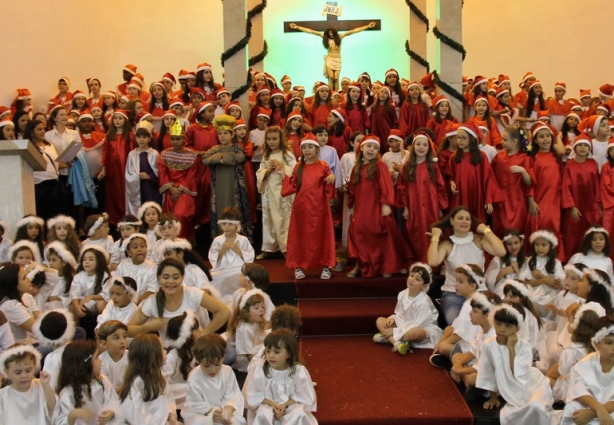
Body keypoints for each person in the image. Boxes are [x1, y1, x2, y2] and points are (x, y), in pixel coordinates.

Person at [476, 304, 555, 425]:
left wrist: (511, 348)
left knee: (536, 407)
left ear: (516, 328)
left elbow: (518, 373)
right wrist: (493, 397)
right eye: (498, 324)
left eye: (508, 326)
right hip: (508, 388)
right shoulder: (488, 345)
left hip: (531, 384)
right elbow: (487, 371)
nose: (502, 329)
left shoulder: (524, 346)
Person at [428, 207, 506, 324]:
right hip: (453, 294)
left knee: (486, 324)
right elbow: (433, 261)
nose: (464, 221)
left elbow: (501, 252)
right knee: (458, 325)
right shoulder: (447, 245)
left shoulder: (479, 240)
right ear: (451, 221)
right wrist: (435, 237)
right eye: (460, 218)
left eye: (467, 219)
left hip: (479, 292)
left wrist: (485, 230)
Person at [346, 135, 409, 278]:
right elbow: (353, 188)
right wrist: (350, 201)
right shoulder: (357, 167)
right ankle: (359, 265)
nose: (371, 150)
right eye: (369, 146)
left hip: (376, 206)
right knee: (358, 232)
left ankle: (387, 266)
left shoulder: (379, 166)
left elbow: (385, 184)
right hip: (362, 207)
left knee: (380, 233)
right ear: (361, 148)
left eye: (375, 148)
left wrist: (386, 204)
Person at [127, 258, 230, 342]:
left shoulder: (192, 293)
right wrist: (148, 327)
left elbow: (224, 311)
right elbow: (128, 329)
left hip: (196, 348)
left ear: (182, 278)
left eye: (175, 277)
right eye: (166, 277)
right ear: (159, 278)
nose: (170, 281)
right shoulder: (152, 301)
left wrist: (204, 333)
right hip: (168, 353)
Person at [282, 134, 336, 280]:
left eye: (310, 147)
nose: (307, 150)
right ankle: (298, 266)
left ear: (317, 149)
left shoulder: (323, 166)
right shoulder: (298, 167)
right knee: (300, 236)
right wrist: (283, 176)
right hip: (301, 209)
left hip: (320, 208)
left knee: (322, 235)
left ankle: (326, 265)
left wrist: (332, 178)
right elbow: (292, 186)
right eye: (304, 147)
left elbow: (328, 189)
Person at [246, 329, 318, 425]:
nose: (271, 356)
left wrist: (285, 405)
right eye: (268, 351)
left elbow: (304, 395)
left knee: (298, 414)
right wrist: (273, 405)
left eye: (276, 352)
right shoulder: (261, 370)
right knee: (263, 413)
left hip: (290, 406)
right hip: (268, 405)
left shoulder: (298, 371)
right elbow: (254, 394)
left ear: (288, 353)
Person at [397, 131, 448, 264]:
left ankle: (433, 261)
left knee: (431, 230)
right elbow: (402, 187)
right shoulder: (408, 167)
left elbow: (440, 186)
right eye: (418, 144)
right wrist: (405, 207)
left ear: (429, 148)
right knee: (414, 232)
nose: (421, 147)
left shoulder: (433, 166)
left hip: (431, 205)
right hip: (413, 205)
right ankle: (418, 261)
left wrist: (441, 206)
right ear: (413, 147)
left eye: (424, 145)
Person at [203, 115, 252, 241]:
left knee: (234, 210)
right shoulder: (215, 149)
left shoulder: (237, 148)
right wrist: (222, 157)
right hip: (219, 186)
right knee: (220, 211)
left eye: (225, 133)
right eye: (220, 134)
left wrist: (219, 158)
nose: (222, 136)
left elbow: (239, 158)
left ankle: (237, 240)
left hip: (234, 187)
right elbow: (205, 159)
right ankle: (220, 240)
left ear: (232, 135)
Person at [373, 263, 441, 355]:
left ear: (423, 285)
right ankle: (397, 343)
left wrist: (394, 331)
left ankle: (390, 338)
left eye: (417, 279)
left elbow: (419, 323)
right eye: (412, 276)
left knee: (414, 333)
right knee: (380, 321)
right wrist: (393, 318)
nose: (412, 279)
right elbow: (399, 314)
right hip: (405, 324)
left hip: (421, 327)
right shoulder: (402, 294)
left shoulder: (423, 301)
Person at [289, 22, 375, 91]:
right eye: (329, 32)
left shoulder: (340, 37)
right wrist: (297, 27)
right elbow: (310, 31)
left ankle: (336, 93)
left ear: (334, 31)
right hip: (329, 59)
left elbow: (354, 31)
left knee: (336, 78)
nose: (330, 33)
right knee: (331, 78)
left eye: (332, 31)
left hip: (337, 60)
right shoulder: (324, 37)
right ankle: (331, 93)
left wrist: (367, 26)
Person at [181, 334, 246, 425]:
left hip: (222, 409)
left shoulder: (227, 371)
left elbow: (232, 393)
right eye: (207, 366)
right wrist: (211, 412)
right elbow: (194, 402)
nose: (213, 370)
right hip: (201, 412)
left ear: (223, 357)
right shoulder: (194, 378)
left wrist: (228, 408)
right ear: (198, 360)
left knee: (237, 421)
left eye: (217, 364)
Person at [447, 122, 504, 223]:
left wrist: (489, 199)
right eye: (458, 137)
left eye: (464, 138)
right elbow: (450, 175)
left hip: (477, 195)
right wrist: (451, 182)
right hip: (460, 194)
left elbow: (489, 179)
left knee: (476, 220)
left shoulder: (481, 156)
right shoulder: (454, 157)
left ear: (472, 139)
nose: (460, 141)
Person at [562, 315, 614, 424]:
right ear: (596, 344)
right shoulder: (585, 364)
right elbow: (578, 390)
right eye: (609, 343)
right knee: (571, 409)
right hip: (589, 405)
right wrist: (598, 408)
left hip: (610, 409)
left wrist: (594, 413)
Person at [430, 264, 485, 367]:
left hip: (471, 348)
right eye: (456, 280)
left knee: (443, 347)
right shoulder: (470, 301)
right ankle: (450, 357)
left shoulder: (470, 305)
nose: (456, 285)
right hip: (467, 342)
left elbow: (459, 334)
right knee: (448, 329)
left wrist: (440, 345)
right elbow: (453, 328)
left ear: (472, 286)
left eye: (461, 282)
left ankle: (456, 360)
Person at [55, 340, 119, 424]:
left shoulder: (102, 380)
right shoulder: (68, 393)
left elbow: (114, 401)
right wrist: (73, 414)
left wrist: (112, 412)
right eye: (96, 357)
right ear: (84, 364)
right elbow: (62, 422)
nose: (100, 360)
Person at [526, 122, 565, 259]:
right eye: (541, 137)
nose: (546, 139)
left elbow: (562, 150)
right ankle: (537, 259)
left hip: (554, 199)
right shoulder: (532, 158)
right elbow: (530, 182)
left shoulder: (556, 156)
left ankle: (555, 259)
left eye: (548, 136)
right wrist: (531, 200)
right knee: (539, 225)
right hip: (539, 198)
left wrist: (558, 137)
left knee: (554, 225)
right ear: (535, 140)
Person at [119, 334, 178, 424]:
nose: (166, 351)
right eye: (162, 349)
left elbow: (167, 400)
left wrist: (171, 414)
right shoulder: (138, 383)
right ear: (153, 356)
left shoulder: (158, 377)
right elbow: (137, 416)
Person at [256, 126, 296, 258]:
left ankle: (286, 248)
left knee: (283, 219)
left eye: (274, 139)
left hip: (283, 193)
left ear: (280, 139)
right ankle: (269, 248)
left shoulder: (287, 154)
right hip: (269, 192)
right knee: (269, 220)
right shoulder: (266, 155)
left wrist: (281, 165)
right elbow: (260, 172)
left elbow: (295, 171)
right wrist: (267, 171)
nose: (271, 142)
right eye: (269, 139)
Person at [159, 118, 201, 241]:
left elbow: (192, 175)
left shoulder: (191, 155)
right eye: (173, 139)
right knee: (169, 217)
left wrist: (180, 189)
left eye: (178, 139)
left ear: (184, 139)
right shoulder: (164, 154)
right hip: (170, 189)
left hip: (184, 190)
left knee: (182, 214)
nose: (175, 142)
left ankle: (185, 239)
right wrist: (171, 188)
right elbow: (162, 173)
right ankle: (169, 240)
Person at [561, 135, 602, 258]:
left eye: (585, 145)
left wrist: (599, 205)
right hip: (575, 206)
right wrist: (571, 206)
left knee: (591, 232)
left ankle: (591, 258)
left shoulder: (593, 164)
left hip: (591, 205)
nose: (582, 148)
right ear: (575, 148)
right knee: (573, 233)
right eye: (579, 145)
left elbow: (598, 185)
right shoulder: (569, 165)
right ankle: (572, 259)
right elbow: (565, 186)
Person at [490, 127, 533, 237]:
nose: (501, 142)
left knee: (515, 229)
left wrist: (523, 171)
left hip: (517, 202)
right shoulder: (499, 157)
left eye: (504, 140)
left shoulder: (524, 158)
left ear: (514, 142)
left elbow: (529, 182)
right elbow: (491, 177)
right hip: (501, 201)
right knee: (500, 229)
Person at [208, 207, 255, 303]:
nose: (227, 227)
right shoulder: (217, 240)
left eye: (230, 224)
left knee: (241, 276)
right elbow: (213, 257)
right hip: (222, 269)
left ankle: (241, 299)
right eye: (224, 224)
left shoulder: (243, 240)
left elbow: (250, 258)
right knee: (213, 277)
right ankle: (222, 301)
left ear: (236, 225)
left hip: (238, 268)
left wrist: (238, 250)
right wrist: (222, 250)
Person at [0, 344, 56, 424]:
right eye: (18, 372)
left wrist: (46, 386)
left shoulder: (41, 386)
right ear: (7, 372)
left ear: (34, 367)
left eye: (28, 370)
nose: (24, 376)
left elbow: (53, 408)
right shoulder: (3, 396)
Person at [99, 109, 134, 225]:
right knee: (112, 194)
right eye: (115, 118)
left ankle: (125, 216)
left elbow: (133, 152)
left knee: (123, 193)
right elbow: (105, 152)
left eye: (120, 118)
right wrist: (103, 169)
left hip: (125, 169)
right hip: (112, 169)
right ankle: (114, 219)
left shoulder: (129, 135)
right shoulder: (109, 135)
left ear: (125, 120)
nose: (117, 121)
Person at [519, 230, 565, 317]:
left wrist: (541, 276)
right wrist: (544, 280)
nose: (540, 248)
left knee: (553, 302)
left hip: (550, 293)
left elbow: (556, 285)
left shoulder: (556, 263)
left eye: (543, 245)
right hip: (533, 291)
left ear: (550, 246)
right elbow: (528, 282)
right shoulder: (530, 261)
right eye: (537, 244)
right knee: (531, 299)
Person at [227, 289, 271, 373]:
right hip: (245, 359)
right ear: (246, 312)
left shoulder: (255, 321)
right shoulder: (244, 328)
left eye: (262, 306)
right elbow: (248, 354)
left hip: (255, 348)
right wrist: (258, 367)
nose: (261, 310)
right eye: (256, 308)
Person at [163, 311, 199, 411]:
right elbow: (163, 380)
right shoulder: (172, 356)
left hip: (189, 387)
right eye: (195, 330)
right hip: (175, 391)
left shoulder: (193, 350)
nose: (199, 331)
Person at [125, 120, 162, 215]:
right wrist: (135, 177)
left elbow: (160, 172)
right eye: (139, 137)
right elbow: (128, 173)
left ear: (150, 139)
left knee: (151, 207)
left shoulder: (154, 154)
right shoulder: (132, 154)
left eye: (144, 137)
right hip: (137, 187)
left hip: (150, 187)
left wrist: (149, 176)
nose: (141, 139)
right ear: (136, 139)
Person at [69, 246, 110, 323]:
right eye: (84, 259)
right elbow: (74, 294)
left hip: (97, 301)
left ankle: (103, 328)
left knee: (101, 305)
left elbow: (106, 294)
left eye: (91, 259)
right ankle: (76, 331)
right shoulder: (79, 276)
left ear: (99, 261)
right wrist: (77, 306)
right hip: (83, 302)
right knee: (71, 307)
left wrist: (91, 297)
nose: (86, 262)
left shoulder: (104, 275)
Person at [116, 233, 158, 304]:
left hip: (144, 303)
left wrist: (136, 302)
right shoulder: (122, 265)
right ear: (129, 252)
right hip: (124, 303)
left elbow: (152, 290)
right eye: (135, 247)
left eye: (142, 246)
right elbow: (117, 286)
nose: (140, 249)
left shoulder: (152, 267)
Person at [484, 229, 527, 297]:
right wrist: (503, 272)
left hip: (519, 292)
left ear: (521, 242)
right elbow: (490, 283)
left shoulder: (526, 261)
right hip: (502, 292)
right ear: (505, 245)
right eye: (509, 244)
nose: (513, 247)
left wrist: (517, 271)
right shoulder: (498, 259)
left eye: (516, 243)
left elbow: (527, 284)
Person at [97, 319, 129, 392]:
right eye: (116, 338)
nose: (122, 341)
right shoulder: (101, 361)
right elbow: (104, 386)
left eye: (124, 336)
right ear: (104, 343)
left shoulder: (131, 356)